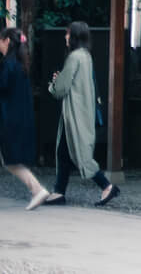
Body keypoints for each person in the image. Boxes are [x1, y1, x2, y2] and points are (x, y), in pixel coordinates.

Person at [40, 21, 117, 207]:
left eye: (68, 34)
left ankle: (107, 186)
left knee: (82, 155)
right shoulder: (86, 56)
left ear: (74, 36)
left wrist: (53, 84)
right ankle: (59, 192)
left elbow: (60, 89)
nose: (65, 37)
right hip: (82, 113)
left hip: (74, 116)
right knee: (64, 152)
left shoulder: (74, 57)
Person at [0, 27, 50, 209]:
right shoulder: (20, 64)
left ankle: (37, 189)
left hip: (8, 119)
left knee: (11, 162)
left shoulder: (8, 64)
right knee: (10, 161)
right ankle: (36, 189)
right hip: (17, 118)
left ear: (7, 41)